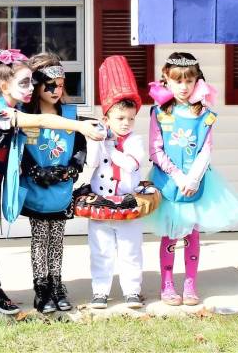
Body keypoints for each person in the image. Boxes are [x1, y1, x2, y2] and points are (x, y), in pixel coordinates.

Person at [0, 48, 102, 324]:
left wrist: (80, 124)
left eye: (32, 82)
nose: (31, 88)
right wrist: (80, 127)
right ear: (4, 84)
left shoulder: (12, 106)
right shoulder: (2, 112)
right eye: (24, 83)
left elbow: (47, 120)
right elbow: (43, 120)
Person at [146, 52, 238, 306]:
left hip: (197, 181)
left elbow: (206, 149)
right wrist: (178, 177)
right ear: (166, 81)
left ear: (197, 81)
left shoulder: (205, 114)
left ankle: (190, 282)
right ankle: (167, 283)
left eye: (189, 81)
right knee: (170, 233)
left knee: (192, 234)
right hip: (169, 180)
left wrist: (192, 179)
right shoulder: (159, 113)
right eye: (177, 81)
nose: (183, 87)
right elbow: (155, 149)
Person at [20, 52, 86, 313]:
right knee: (39, 238)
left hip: (62, 189)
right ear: (37, 85)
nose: (57, 90)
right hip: (37, 189)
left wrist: (73, 168)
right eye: (50, 85)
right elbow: (20, 149)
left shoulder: (70, 113)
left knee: (57, 238)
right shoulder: (25, 114)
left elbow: (80, 145)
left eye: (60, 85)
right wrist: (34, 171)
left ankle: (57, 284)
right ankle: (41, 287)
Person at [86, 56, 145, 310]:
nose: (126, 124)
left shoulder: (135, 141)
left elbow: (131, 164)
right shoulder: (102, 139)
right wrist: (97, 139)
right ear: (107, 118)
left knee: (131, 250)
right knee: (101, 250)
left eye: (130, 118)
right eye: (120, 118)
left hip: (127, 206)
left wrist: (111, 146)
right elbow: (91, 163)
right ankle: (100, 291)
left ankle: (132, 290)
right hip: (101, 206)